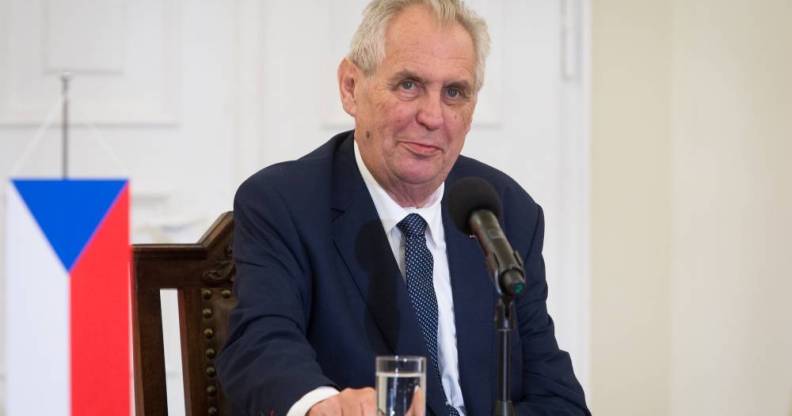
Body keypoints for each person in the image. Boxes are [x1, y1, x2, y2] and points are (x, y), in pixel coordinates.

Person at [217, 1, 590, 415]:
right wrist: (322, 406)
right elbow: (261, 342)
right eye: (409, 84)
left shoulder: (504, 211)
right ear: (351, 87)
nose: (432, 117)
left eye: (454, 92)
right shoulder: (284, 203)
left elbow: (558, 398)